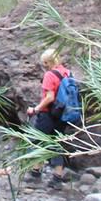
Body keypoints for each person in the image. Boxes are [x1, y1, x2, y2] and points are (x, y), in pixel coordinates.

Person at [24, 49, 75, 185]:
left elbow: (50, 97)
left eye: (44, 62)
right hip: (62, 114)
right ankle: (57, 178)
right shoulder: (67, 73)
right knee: (56, 143)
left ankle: (35, 174)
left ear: (47, 62)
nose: (43, 65)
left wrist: (35, 109)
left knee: (38, 141)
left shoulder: (49, 75)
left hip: (48, 114)